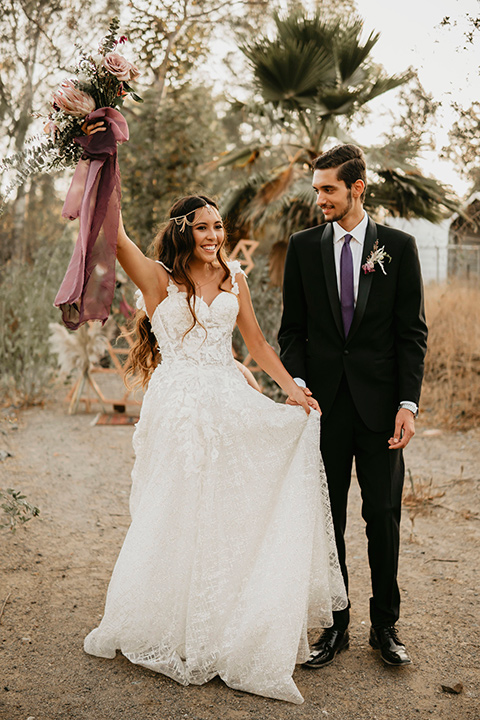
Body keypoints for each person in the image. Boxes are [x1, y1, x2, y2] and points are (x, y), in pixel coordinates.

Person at [83, 188, 347, 704]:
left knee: (224, 507)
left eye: (219, 227)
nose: (214, 237)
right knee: (176, 504)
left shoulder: (235, 280)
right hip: (178, 406)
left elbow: (257, 346)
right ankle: (169, 623)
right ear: (184, 229)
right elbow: (113, 235)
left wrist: (293, 390)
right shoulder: (158, 277)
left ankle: (220, 620)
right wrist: (100, 157)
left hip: (226, 400)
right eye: (204, 227)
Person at [278, 144, 428, 669]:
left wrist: (408, 403)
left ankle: (385, 626)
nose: (318, 198)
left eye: (328, 189)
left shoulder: (399, 247)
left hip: (383, 409)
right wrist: (297, 382)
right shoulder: (301, 248)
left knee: (382, 516)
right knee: (328, 518)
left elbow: (411, 335)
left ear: (357, 188)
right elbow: (291, 331)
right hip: (324, 409)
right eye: (316, 188)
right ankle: (335, 626)